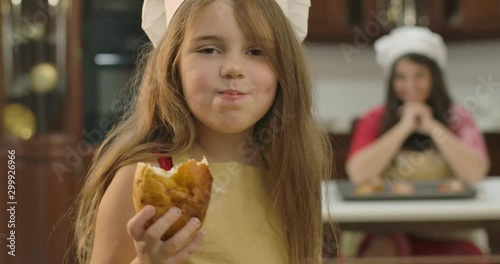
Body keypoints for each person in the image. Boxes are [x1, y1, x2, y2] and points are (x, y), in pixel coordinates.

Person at [73, 0, 333, 264]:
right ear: (173, 65)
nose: (233, 68)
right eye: (209, 49)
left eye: (256, 51)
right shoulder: (144, 178)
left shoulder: (289, 175)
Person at [344, 26, 490, 256]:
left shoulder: (458, 118)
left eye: (419, 75)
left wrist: (433, 127)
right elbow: (358, 174)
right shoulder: (374, 119)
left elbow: (475, 173)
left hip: (448, 228)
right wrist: (404, 127)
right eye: (401, 77)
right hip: (385, 227)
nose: (410, 86)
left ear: (434, 77)